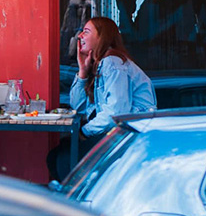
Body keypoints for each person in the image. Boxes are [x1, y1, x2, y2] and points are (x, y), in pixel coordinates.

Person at [47, 16, 156, 182]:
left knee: (65, 160)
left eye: (86, 31)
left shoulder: (112, 62)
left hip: (131, 136)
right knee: (55, 156)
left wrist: (84, 132)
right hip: (117, 132)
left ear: (101, 38)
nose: (80, 36)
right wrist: (83, 72)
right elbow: (78, 108)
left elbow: (117, 114)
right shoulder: (101, 63)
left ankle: (80, 197)